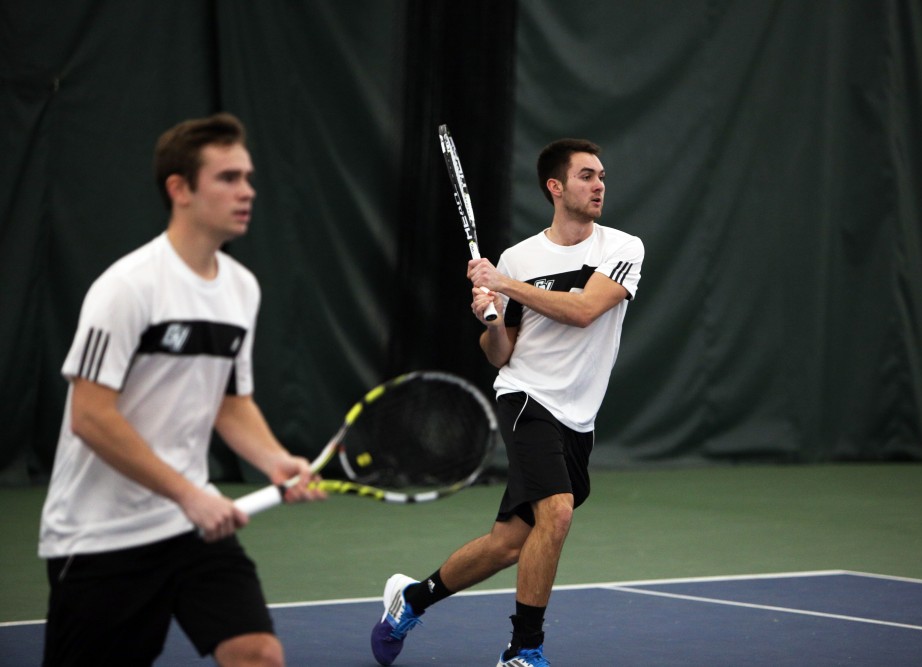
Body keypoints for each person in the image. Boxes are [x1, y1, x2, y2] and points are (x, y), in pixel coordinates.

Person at [38, 112, 325, 667]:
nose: (247, 191)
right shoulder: (126, 287)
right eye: (228, 178)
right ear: (180, 188)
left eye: (247, 176)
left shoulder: (242, 289)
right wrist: (190, 494)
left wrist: (274, 459)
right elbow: (90, 418)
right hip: (102, 537)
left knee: (258, 654)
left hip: (190, 531)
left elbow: (229, 401)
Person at [370, 138, 643, 667]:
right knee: (557, 515)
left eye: (602, 176)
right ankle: (524, 651)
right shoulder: (521, 257)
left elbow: (586, 310)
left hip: (578, 416)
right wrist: (490, 318)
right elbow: (501, 354)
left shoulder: (622, 248)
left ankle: (412, 599)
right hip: (526, 396)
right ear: (555, 187)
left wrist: (505, 286)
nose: (600, 185)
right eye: (587, 176)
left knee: (508, 545)